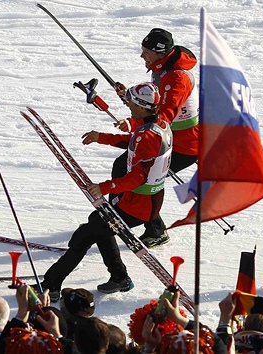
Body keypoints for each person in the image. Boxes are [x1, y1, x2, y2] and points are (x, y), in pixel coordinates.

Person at [40, 82, 173, 297]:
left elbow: (139, 177)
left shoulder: (146, 136)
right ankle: (119, 277)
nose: (127, 102)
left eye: (130, 100)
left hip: (137, 206)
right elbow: (133, 143)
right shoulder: (160, 125)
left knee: (85, 234)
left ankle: (50, 286)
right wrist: (101, 137)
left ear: (141, 106)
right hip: (144, 202)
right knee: (98, 227)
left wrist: (104, 187)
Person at [114, 28, 198, 248]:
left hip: (183, 145)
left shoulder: (176, 78)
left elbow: (165, 117)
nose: (142, 56)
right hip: (169, 138)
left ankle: (150, 228)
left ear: (160, 53)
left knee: (144, 177)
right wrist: (132, 97)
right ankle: (127, 215)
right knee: (126, 167)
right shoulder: (163, 67)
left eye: (146, 52)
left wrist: (133, 122)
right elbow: (156, 100)